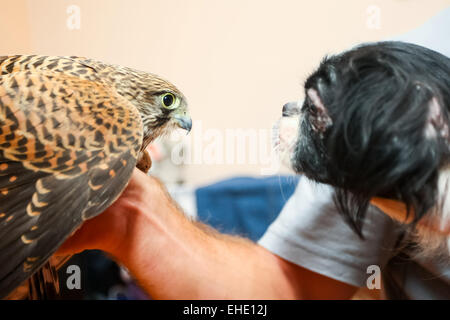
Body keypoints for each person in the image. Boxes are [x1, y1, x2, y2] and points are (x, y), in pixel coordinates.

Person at [58, 8, 450, 299]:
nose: (295, 115)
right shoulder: (387, 72)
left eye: (315, 113)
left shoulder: (396, 93)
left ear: (431, 121)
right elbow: (281, 289)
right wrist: (135, 214)